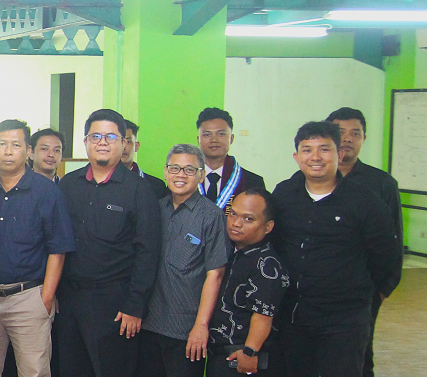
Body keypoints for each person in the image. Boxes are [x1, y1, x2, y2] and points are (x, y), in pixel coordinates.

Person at [271, 121, 400, 377]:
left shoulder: (364, 200)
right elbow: (275, 244)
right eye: (307, 150)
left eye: (324, 149)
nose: (315, 157)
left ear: (339, 154)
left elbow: (386, 254)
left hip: (344, 320)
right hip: (293, 316)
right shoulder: (284, 193)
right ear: (296, 157)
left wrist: (375, 294)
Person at [55, 109, 162, 377]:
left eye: (111, 137)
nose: (102, 142)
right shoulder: (68, 185)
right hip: (68, 301)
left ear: (124, 143)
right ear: (85, 142)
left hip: (114, 305)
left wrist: (135, 306)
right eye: (96, 136)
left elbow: (148, 252)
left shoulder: (139, 190)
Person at [0, 120, 75, 377]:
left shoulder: (47, 192)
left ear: (28, 151)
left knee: (33, 371)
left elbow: (58, 249)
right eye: (2, 144)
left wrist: (45, 299)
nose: (8, 151)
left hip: (29, 299)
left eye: (15, 145)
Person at [138, 144, 230, 377]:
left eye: (189, 170)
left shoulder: (212, 216)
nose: (181, 175)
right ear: (165, 172)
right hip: (148, 324)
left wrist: (201, 326)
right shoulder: (155, 209)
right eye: (175, 168)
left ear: (201, 175)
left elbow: (215, 275)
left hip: (186, 331)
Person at [324, 107, 403, 377]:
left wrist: (382, 289)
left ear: (364, 139)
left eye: (355, 133)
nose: (347, 138)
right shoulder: (307, 180)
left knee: (358, 357)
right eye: (340, 132)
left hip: (363, 292)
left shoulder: (382, 184)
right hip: (314, 291)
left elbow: (394, 241)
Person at [208, 189, 289, 377]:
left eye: (248, 219)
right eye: (233, 214)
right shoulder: (228, 251)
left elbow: (263, 316)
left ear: (268, 227)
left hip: (242, 358)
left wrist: (249, 352)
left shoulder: (267, 264)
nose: (236, 223)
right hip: (218, 353)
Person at [195, 108, 266, 209]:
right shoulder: (184, 179)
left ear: (231, 138)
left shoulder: (253, 182)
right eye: (207, 135)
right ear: (199, 140)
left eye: (221, 134)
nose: (214, 140)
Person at [123, 121, 170, 199]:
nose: (123, 147)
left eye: (128, 141)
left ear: (136, 146)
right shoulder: (102, 182)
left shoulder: (157, 186)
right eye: (119, 141)